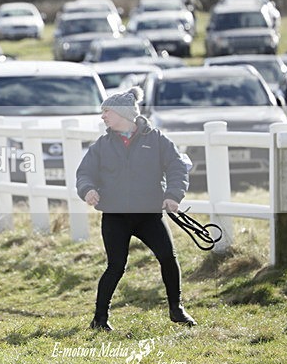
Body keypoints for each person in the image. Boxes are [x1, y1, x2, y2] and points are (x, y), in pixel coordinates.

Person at [75, 86, 196, 331]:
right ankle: (100, 319)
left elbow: (176, 168)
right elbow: (84, 173)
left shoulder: (157, 140)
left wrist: (173, 195)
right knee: (116, 266)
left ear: (123, 114)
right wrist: (87, 190)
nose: (103, 116)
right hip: (115, 216)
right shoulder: (102, 144)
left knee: (168, 258)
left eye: (107, 111)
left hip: (148, 215)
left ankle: (176, 309)